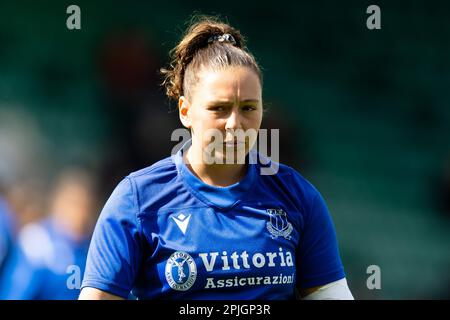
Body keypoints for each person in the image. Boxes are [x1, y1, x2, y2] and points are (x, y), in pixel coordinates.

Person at [79, 16, 353, 300]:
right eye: (219, 108)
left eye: (248, 108)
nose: (235, 123)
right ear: (185, 111)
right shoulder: (136, 199)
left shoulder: (297, 196)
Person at [0, 168, 97, 299]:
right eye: (75, 204)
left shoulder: (91, 248)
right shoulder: (38, 241)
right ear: (59, 203)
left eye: (86, 206)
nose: (80, 213)